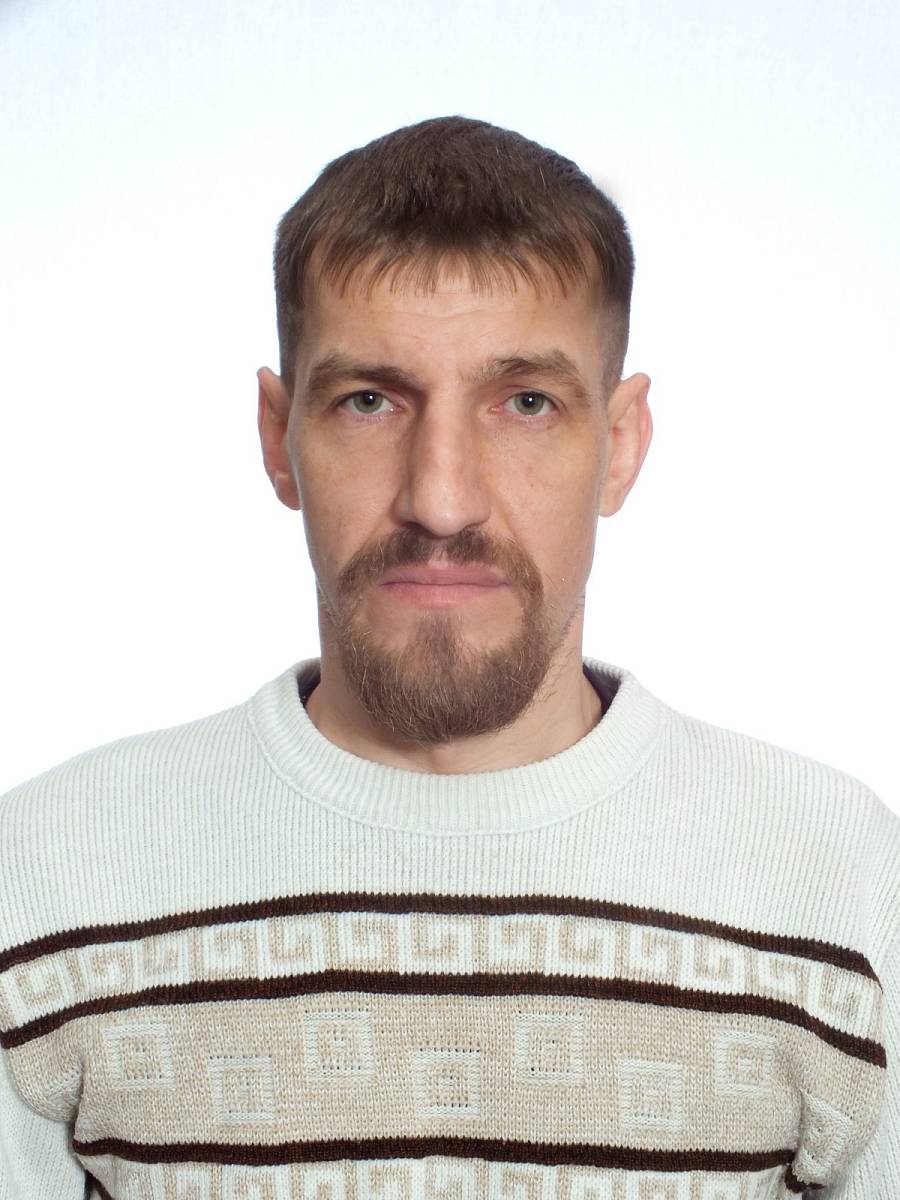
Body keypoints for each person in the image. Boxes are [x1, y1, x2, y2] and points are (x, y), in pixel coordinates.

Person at [0, 115, 896, 1200]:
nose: (441, 498)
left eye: (526, 403)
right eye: (369, 401)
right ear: (279, 437)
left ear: (619, 445)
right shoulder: (41, 884)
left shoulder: (845, 892)